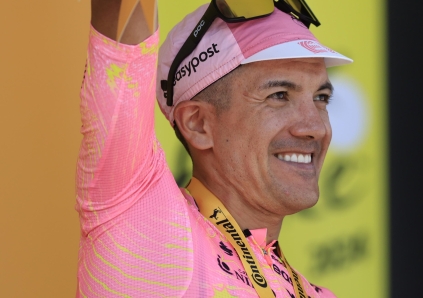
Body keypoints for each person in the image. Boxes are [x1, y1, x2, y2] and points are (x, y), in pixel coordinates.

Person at [77, 0, 351, 297]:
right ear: (198, 124)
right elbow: (120, 33)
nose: (315, 127)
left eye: (321, 98)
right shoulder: (148, 228)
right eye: (279, 95)